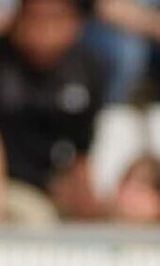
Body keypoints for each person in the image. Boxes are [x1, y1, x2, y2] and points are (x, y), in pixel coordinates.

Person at [0, 0, 105, 221]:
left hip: (49, 186)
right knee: (35, 217)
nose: (45, 30)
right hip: (9, 186)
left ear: (76, 23)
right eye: (35, 17)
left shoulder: (86, 69)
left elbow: (81, 152)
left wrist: (87, 205)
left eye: (56, 18)